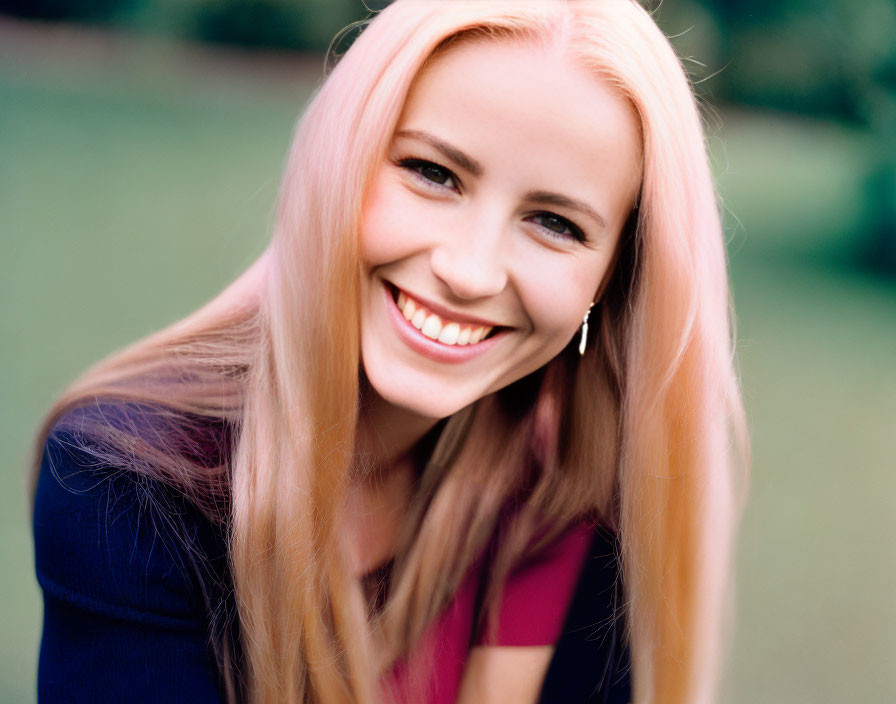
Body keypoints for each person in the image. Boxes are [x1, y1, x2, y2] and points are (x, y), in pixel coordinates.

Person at [29, 1, 749, 703]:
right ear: (337, 166)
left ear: (614, 284)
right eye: (434, 173)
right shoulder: (126, 481)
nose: (469, 271)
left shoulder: (573, 504)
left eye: (555, 223)